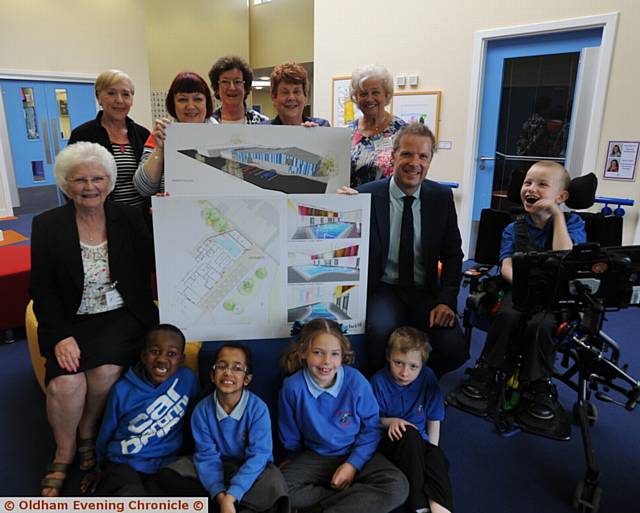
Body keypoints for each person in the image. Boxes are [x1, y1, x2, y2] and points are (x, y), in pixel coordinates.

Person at [30, 142, 158, 496]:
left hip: (120, 317)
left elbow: (154, 261)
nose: (90, 187)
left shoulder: (129, 218)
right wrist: (59, 336)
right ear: (66, 184)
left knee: (104, 372)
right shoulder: (47, 225)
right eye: (80, 180)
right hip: (70, 322)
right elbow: (42, 290)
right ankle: (64, 450)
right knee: (66, 384)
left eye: (98, 178)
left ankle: (88, 432)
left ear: (110, 181)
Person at [338, 122, 466, 377]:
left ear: (430, 161)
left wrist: (446, 301)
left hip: (424, 289)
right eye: (407, 153)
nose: (414, 163)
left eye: (423, 156)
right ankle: (383, 387)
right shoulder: (365, 196)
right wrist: (340, 208)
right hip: (383, 287)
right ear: (393, 155)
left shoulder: (440, 197)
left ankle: (417, 385)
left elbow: (453, 255)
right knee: (380, 331)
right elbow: (343, 243)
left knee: (454, 348)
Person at [462, 161, 586, 423]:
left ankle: (538, 385)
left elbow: (566, 258)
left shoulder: (573, 224)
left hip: (556, 295)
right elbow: (506, 265)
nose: (531, 188)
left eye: (542, 184)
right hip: (519, 288)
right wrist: (526, 287)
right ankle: (487, 370)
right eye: (528, 183)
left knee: (540, 326)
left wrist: (558, 216)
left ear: (561, 197)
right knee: (507, 316)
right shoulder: (513, 228)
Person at [278, 318, 409, 513]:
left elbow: (372, 428)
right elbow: (290, 434)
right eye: (317, 353)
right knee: (278, 490)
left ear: (342, 356)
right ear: (303, 352)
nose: (326, 362)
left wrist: (352, 465)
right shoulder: (292, 387)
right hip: (315, 456)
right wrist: (293, 460)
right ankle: (353, 500)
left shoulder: (355, 381)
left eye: (334, 354)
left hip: (355, 450)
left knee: (397, 486)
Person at [160, 344, 290, 512]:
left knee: (274, 484)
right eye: (221, 366)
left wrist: (232, 495)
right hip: (217, 465)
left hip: (249, 469)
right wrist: (221, 496)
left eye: (237, 368)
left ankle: (235, 504)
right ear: (212, 376)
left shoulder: (258, 409)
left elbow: (259, 456)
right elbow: (207, 457)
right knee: (171, 474)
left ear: (247, 379)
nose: (228, 372)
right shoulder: (202, 410)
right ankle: (225, 505)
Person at [80, 324, 199, 496]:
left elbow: (193, 419)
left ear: (181, 360)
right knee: (130, 495)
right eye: (155, 351)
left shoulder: (188, 380)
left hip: (167, 462)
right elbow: (107, 431)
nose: (162, 359)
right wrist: (99, 467)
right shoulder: (122, 390)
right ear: (144, 356)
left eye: (171, 354)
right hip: (124, 461)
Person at [371, 327, 453, 513]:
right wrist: (391, 421)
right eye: (398, 363)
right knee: (410, 434)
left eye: (413, 366)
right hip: (390, 441)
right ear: (388, 357)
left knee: (438, 459)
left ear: (422, 365)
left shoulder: (428, 378)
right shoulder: (378, 381)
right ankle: (418, 506)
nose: (404, 373)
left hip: (419, 442)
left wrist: (433, 451)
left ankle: (441, 509)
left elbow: (434, 419)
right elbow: (371, 420)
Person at [68, 70, 150, 209]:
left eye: (125, 94)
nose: (119, 100)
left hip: (141, 219)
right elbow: (70, 181)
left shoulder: (143, 134)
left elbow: (153, 179)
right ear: (98, 97)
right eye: (111, 93)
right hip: (101, 218)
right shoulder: (82, 135)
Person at [133, 72, 217, 196]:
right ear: (173, 104)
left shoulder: (223, 137)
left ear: (207, 103)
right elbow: (143, 188)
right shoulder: (161, 134)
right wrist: (160, 149)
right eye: (182, 99)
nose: (190, 106)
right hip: (173, 213)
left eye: (197, 99)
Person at [348, 64, 406, 187]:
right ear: (356, 98)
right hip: (353, 203)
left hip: (388, 204)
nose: (369, 99)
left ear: (386, 95)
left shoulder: (403, 131)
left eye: (375, 92)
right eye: (363, 94)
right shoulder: (347, 132)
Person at [209, 56, 269, 124]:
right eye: (225, 82)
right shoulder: (208, 123)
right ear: (217, 87)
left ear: (245, 87)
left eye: (237, 82)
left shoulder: (262, 122)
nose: (232, 87)